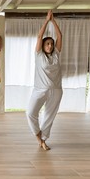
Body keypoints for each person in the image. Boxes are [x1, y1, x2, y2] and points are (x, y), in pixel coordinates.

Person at [26, 10, 63, 151]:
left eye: (51, 44)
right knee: (30, 113)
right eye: (47, 44)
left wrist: (54, 22)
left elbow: (60, 36)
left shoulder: (57, 55)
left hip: (56, 90)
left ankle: (43, 140)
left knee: (49, 117)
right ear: (42, 45)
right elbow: (40, 36)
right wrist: (47, 21)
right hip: (40, 89)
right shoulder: (39, 55)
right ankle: (38, 135)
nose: (50, 46)